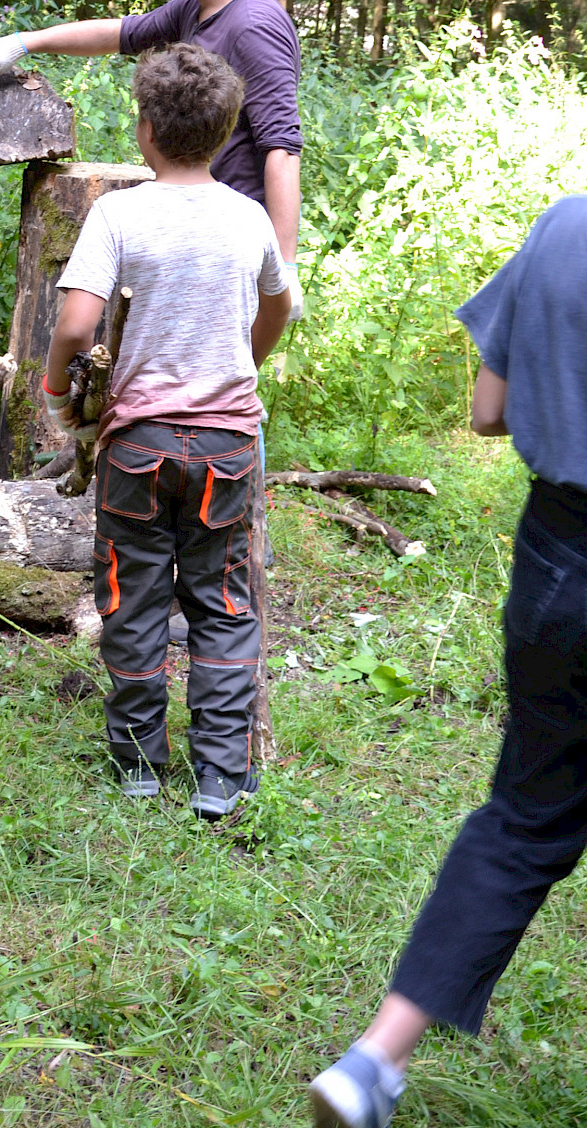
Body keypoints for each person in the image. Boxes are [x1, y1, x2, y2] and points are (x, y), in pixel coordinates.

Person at [308, 195, 587, 1128]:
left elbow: (486, 409)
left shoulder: (562, 225)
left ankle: (371, 1063)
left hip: (561, 562)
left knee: (524, 814)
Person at [43, 44, 291, 808]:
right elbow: (281, 305)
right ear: (224, 132)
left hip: (138, 446)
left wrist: (58, 391)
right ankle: (220, 773)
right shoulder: (248, 217)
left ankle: (139, 764)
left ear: (146, 127)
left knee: (134, 596)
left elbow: (79, 324)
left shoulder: (119, 212)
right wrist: (240, 358)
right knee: (222, 601)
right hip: (228, 444)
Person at [0, 0, 304, 308]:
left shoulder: (255, 25)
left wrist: (284, 269)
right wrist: (23, 42)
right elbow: (121, 33)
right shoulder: (195, 8)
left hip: (229, 249)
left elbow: (283, 148)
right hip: (196, 229)